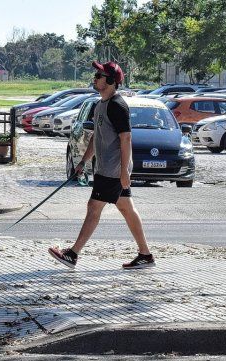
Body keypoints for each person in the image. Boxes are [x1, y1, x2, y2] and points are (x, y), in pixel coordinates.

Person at [48, 60, 154, 270]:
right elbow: (98, 136)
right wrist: (83, 161)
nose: (95, 78)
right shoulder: (100, 105)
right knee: (126, 209)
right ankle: (145, 254)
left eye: (99, 76)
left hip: (113, 169)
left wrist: (124, 172)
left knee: (93, 207)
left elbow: (126, 139)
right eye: (95, 75)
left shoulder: (117, 106)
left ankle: (73, 254)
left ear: (112, 81)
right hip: (108, 168)